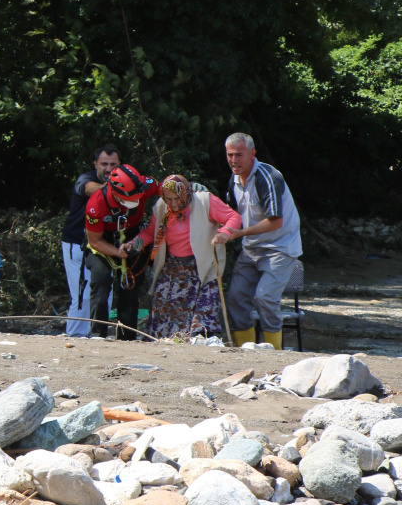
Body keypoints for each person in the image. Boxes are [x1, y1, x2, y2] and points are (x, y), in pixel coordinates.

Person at [123, 175, 242, 339]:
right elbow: (151, 232)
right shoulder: (161, 207)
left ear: (186, 193)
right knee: (162, 312)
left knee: (202, 314)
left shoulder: (204, 201)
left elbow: (233, 217)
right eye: (168, 199)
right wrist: (134, 244)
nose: (173, 203)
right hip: (174, 267)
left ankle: (199, 345)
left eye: (177, 198)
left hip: (202, 266)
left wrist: (225, 232)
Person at [222, 133, 302, 349]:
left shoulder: (267, 176)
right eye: (230, 155)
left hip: (280, 248)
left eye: (239, 155)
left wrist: (239, 233)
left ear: (252, 154)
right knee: (236, 298)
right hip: (252, 249)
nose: (234, 160)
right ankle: (246, 352)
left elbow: (275, 221)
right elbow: (231, 214)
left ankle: (273, 353)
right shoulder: (234, 180)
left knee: (264, 297)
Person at [82, 163, 162, 340]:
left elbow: (169, 188)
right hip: (104, 241)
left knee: (130, 287)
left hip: (133, 237)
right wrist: (117, 252)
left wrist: (191, 189)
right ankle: (98, 334)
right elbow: (94, 241)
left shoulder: (146, 184)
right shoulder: (96, 204)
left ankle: (127, 337)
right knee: (101, 281)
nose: (136, 200)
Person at [61, 146, 120, 336]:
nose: (108, 169)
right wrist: (115, 187)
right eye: (104, 164)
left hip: (104, 245)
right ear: (96, 164)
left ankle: (97, 334)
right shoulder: (86, 179)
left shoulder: (125, 183)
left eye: (113, 164)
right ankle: (76, 336)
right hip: (77, 243)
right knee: (82, 295)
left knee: (105, 293)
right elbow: (88, 189)